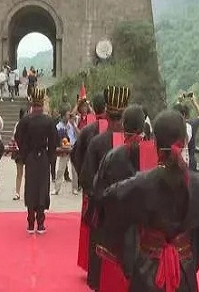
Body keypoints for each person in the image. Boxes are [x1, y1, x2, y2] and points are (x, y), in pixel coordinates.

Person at [97, 110, 199, 291]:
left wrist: (129, 260)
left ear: (155, 142)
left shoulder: (140, 184)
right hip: (184, 271)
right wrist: (190, 254)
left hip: (146, 270)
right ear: (185, 141)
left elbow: (109, 203)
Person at [91, 104, 158, 291]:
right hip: (148, 235)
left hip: (117, 229)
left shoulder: (113, 156)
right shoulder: (155, 154)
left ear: (123, 124)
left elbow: (99, 192)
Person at [80, 85, 131, 290]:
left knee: (100, 255)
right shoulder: (137, 145)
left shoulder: (97, 142)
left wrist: (97, 196)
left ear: (106, 114)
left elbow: (86, 178)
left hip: (102, 210)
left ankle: (96, 282)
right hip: (128, 213)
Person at [70, 92, 107, 273]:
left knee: (91, 226)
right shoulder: (118, 131)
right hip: (110, 188)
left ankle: (90, 265)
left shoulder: (87, 131)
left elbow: (75, 155)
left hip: (90, 187)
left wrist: (84, 176)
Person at [13, 87, 58, 234]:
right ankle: (41, 222)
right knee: (42, 187)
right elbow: (54, 141)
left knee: (31, 187)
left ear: (32, 102)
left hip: (31, 157)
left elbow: (18, 137)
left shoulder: (26, 120)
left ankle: (30, 222)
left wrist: (25, 153)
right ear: (42, 103)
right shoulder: (48, 121)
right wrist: (50, 157)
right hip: (43, 156)